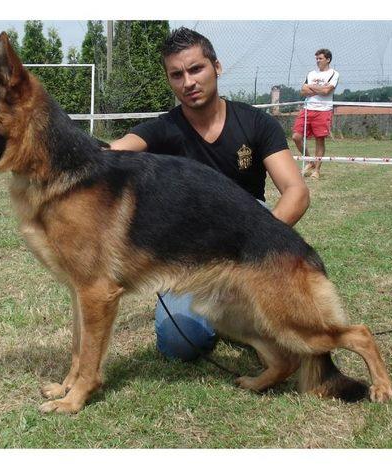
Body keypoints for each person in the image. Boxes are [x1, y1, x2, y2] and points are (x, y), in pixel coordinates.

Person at [110, 27, 309, 360]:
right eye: (176, 74)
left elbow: (296, 192)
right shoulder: (164, 128)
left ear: (216, 67)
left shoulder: (257, 123)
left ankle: (237, 311)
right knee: (179, 344)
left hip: (248, 237)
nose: (188, 82)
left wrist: (259, 244)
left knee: (293, 329)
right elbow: (115, 152)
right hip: (189, 252)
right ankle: (225, 315)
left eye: (196, 69)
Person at [292, 49, 339, 179]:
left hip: (323, 110)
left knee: (320, 139)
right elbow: (303, 90)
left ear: (328, 59)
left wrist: (312, 88)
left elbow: (327, 91)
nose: (318, 61)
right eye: (317, 59)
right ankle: (309, 161)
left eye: (320, 58)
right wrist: (320, 89)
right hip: (307, 108)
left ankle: (317, 170)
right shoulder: (311, 73)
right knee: (296, 136)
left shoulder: (334, 74)